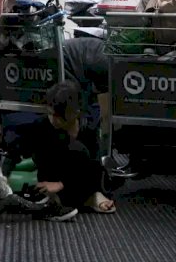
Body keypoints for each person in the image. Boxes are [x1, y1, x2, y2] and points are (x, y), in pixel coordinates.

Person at [11, 81, 116, 214]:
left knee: (90, 166)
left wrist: (62, 184)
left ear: (76, 112)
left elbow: (92, 168)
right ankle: (81, 200)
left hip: (77, 177)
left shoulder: (87, 129)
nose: (54, 119)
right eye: (51, 113)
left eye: (60, 116)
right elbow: (20, 153)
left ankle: (86, 197)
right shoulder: (41, 126)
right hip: (50, 175)